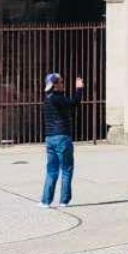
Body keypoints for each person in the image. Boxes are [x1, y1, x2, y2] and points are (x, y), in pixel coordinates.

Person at [41, 71, 85, 208]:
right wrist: (79, 89)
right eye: (60, 82)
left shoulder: (48, 98)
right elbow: (74, 103)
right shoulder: (57, 99)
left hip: (50, 138)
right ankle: (64, 200)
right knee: (66, 169)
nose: (63, 84)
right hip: (62, 137)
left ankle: (46, 201)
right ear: (55, 85)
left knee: (52, 170)